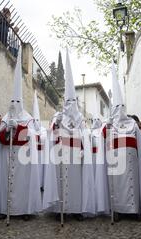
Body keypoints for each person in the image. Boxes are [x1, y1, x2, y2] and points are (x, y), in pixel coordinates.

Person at [0, 51, 42, 221]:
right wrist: (6, 130)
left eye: (17, 102)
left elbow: (32, 137)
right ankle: (5, 208)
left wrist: (19, 128)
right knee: (5, 182)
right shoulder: (5, 118)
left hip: (23, 158)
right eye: (13, 102)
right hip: (7, 156)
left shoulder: (28, 118)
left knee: (23, 184)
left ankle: (24, 210)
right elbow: (0, 141)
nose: (14, 105)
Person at [42, 50, 96, 221]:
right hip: (60, 153)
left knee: (76, 183)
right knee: (61, 181)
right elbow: (51, 133)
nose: (71, 105)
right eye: (68, 102)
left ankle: (77, 209)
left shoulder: (80, 119)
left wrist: (82, 150)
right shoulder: (58, 117)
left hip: (76, 155)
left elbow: (84, 136)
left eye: (73, 102)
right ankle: (61, 210)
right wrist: (55, 123)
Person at [100, 63, 141, 221]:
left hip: (132, 161)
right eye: (117, 106)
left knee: (132, 184)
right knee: (117, 187)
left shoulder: (132, 123)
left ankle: (135, 210)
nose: (120, 109)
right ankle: (117, 210)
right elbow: (102, 138)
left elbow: (139, 145)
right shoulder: (110, 124)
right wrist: (106, 126)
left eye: (122, 106)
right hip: (115, 162)